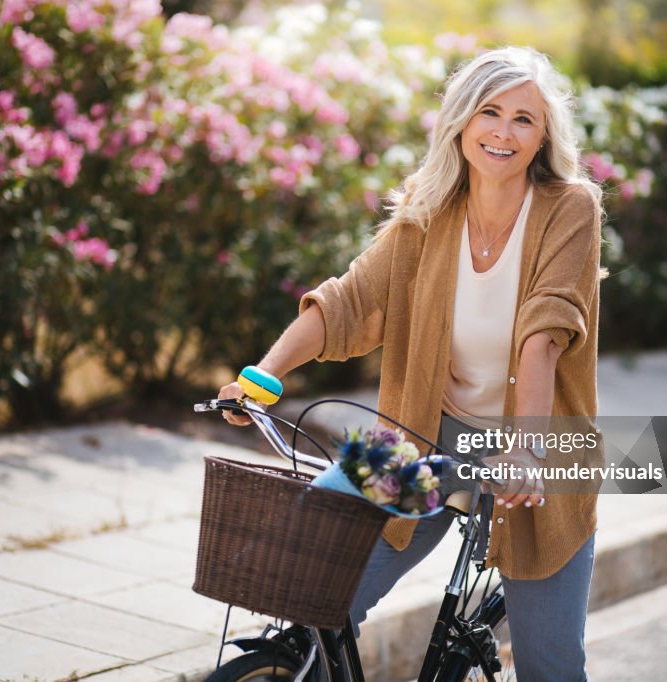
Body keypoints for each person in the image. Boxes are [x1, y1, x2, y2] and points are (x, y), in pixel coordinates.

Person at [219, 45, 603, 682]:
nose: (503, 132)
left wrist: (527, 450)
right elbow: (348, 300)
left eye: (523, 119)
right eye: (489, 112)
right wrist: (263, 375)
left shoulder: (571, 208)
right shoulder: (429, 215)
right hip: (422, 439)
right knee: (317, 593)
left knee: (550, 665)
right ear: (460, 121)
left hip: (537, 451)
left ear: (543, 137)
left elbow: (546, 330)